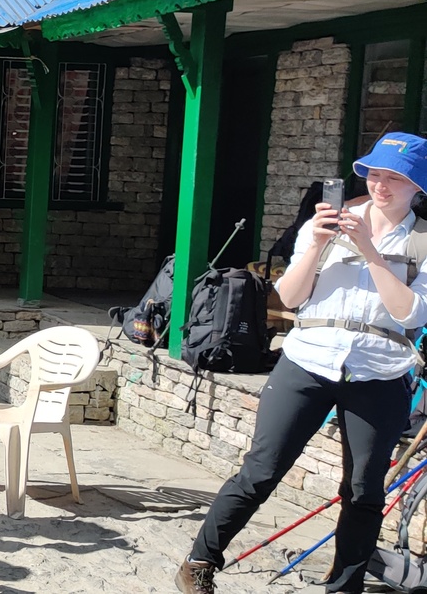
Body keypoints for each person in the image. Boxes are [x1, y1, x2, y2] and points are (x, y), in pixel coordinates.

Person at [175, 131, 427, 594]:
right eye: (374, 173)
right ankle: (199, 561)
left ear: (419, 186)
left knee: (364, 491)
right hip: (308, 361)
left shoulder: (423, 242)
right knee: (262, 469)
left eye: (396, 177)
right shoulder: (326, 223)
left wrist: (371, 252)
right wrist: (314, 244)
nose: (381, 185)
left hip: (379, 372)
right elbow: (287, 297)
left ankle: (345, 586)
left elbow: (411, 313)